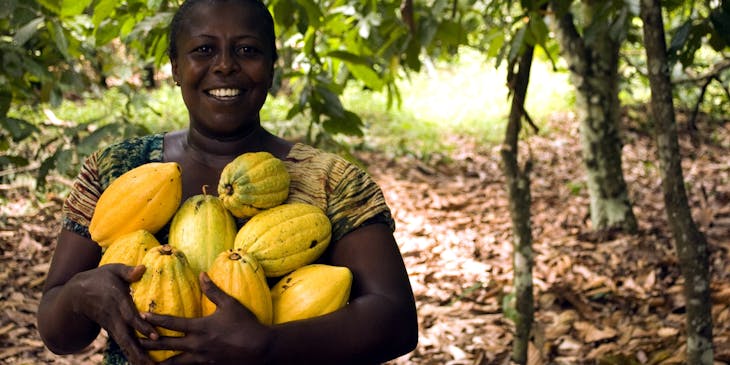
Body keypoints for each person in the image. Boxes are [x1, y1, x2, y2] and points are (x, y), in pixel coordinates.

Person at [36, 0, 419, 364]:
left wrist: (268, 347)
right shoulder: (116, 169)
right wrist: (78, 296)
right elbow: (57, 333)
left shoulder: (333, 182)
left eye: (247, 50)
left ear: (272, 66)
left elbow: (397, 321)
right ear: (174, 67)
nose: (224, 66)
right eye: (203, 50)